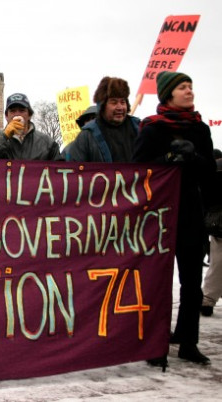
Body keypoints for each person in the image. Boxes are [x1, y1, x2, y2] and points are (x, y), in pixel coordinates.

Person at [133, 71, 215, 367]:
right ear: (168, 94)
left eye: (191, 86)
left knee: (192, 281)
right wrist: (166, 160)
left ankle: (188, 341)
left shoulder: (200, 129)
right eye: (183, 87)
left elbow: (209, 175)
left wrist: (194, 158)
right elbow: (138, 171)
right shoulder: (152, 128)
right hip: (159, 215)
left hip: (191, 212)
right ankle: (156, 344)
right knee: (158, 281)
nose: (189, 91)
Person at [65, 77, 140, 162]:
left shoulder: (139, 129)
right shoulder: (87, 136)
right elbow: (75, 170)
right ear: (102, 105)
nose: (120, 107)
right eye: (114, 102)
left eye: (123, 102)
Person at [0, 93, 61, 160]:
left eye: (22, 110)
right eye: (12, 111)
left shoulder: (47, 143)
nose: (17, 114)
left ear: (29, 115)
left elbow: (59, 172)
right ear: (6, 116)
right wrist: (4, 137)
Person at [201, 148, 222, 317]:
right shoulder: (218, 167)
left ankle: (208, 299)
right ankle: (207, 299)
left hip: (219, 223)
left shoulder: (217, 167)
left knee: (217, 264)